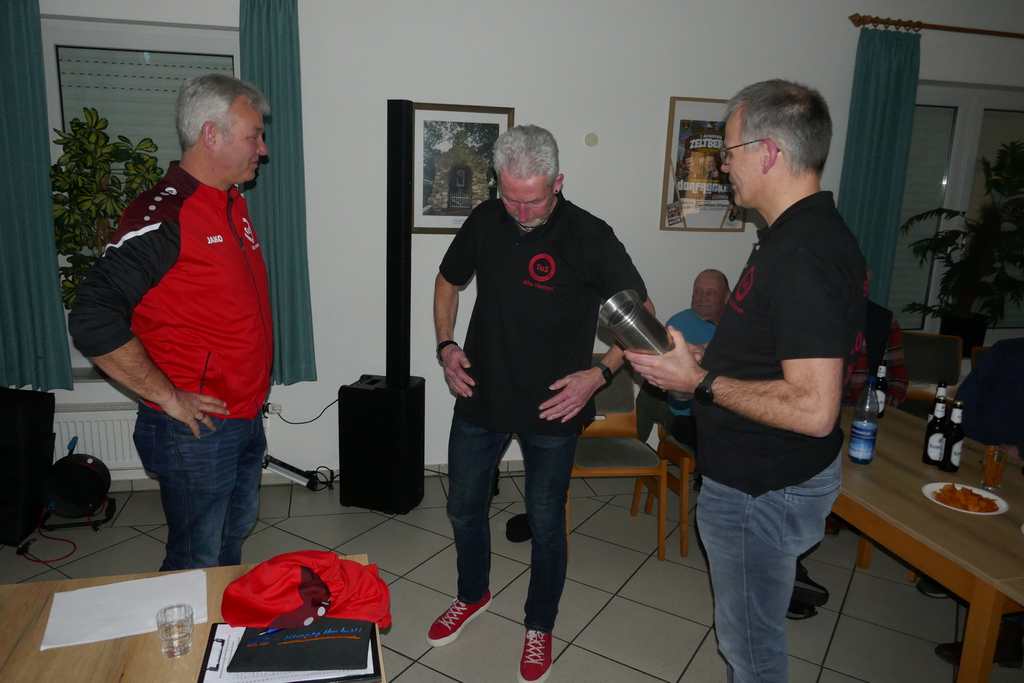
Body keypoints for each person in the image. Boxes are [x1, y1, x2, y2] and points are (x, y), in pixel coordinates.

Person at [627, 80, 866, 683]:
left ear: (769, 152)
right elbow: (775, 351)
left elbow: (814, 408)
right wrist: (703, 354)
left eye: (730, 150)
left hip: (765, 489)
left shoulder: (805, 253)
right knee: (747, 639)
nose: (722, 164)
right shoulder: (789, 237)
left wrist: (700, 379)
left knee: (751, 649)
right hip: (758, 479)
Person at [430, 124, 650, 683]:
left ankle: (539, 624)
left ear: (558, 182)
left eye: (533, 201)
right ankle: (472, 594)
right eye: (511, 199)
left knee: (547, 522)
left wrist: (599, 375)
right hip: (481, 392)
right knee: (462, 508)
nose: (521, 213)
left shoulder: (590, 236)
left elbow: (643, 318)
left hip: (556, 407)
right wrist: (446, 345)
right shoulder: (486, 219)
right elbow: (447, 281)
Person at [68, 74, 273, 571]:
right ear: (211, 135)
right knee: (194, 558)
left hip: (243, 417)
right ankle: (186, 625)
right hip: (196, 429)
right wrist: (169, 396)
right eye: (254, 136)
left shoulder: (231, 203)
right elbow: (93, 317)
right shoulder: (164, 216)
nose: (262, 150)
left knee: (232, 535)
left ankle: (219, 617)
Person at [931, 338, 1024, 668]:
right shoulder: (1007, 351)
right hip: (981, 450)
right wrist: (984, 446)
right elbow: (967, 401)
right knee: (945, 495)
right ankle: (952, 569)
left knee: (1012, 539)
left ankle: (1007, 633)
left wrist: (1018, 450)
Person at [663, 269, 729, 449]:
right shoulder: (677, 326)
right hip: (689, 415)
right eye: (698, 291)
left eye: (711, 292)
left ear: (727, 297)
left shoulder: (740, 324)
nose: (702, 297)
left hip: (734, 409)